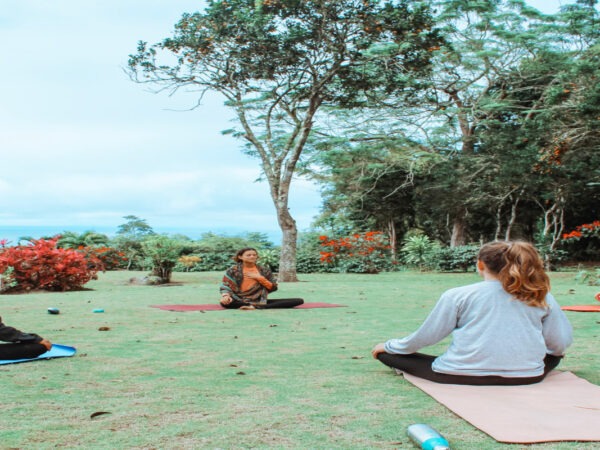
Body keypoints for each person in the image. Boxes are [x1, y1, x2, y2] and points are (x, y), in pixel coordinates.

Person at [372, 240, 573, 385]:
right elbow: (559, 343)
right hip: (526, 376)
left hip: (458, 374)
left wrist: (388, 346)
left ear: (480, 264)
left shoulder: (458, 295)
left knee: (385, 354)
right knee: (555, 356)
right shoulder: (540, 296)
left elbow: (426, 336)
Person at [219, 247, 304, 310]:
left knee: (299, 301)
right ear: (240, 257)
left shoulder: (264, 270)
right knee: (225, 303)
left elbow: (273, 287)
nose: (252, 257)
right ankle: (254, 306)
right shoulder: (233, 270)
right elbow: (225, 285)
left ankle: (253, 306)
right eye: (248, 255)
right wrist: (226, 296)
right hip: (238, 299)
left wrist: (260, 278)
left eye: (254, 255)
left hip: (259, 299)